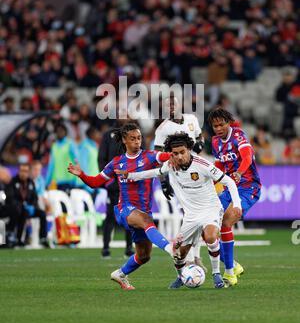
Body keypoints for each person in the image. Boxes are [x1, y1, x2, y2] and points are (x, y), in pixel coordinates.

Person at [118, 132, 242, 289]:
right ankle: (181, 276)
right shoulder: (170, 165)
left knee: (210, 236)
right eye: (175, 153)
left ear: (189, 149)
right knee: (179, 253)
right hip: (191, 215)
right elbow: (155, 173)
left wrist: (237, 204)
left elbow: (229, 181)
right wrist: (131, 176)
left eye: (182, 152)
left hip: (210, 209)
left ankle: (216, 274)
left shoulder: (203, 165)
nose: (179, 157)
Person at [67, 122, 178, 290]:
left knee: (144, 256)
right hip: (124, 209)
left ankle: (120, 274)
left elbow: (162, 156)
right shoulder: (117, 163)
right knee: (146, 219)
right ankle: (171, 249)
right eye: (133, 138)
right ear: (124, 140)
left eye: (139, 138)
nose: (137, 141)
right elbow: (96, 182)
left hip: (142, 212)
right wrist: (81, 174)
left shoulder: (148, 156)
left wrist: (173, 155)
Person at [154, 94, 207, 288]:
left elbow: (200, 138)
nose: (170, 108)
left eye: (172, 104)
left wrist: (201, 143)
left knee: (196, 215)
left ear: (179, 105)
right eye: (166, 105)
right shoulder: (163, 129)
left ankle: (195, 258)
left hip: (197, 171)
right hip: (178, 176)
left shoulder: (192, 120)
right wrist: (163, 181)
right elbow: (156, 156)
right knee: (191, 215)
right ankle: (192, 259)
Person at [208, 108, 262, 286]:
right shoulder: (215, 142)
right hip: (228, 188)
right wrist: (211, 180)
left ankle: (229, 273)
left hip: (248, 187)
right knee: (207, 227)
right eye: (215, 126)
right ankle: (234, 265)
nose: (218, 128)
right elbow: (218, 164)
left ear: (228, 122)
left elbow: (247, 157)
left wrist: (239, 172)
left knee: (226, 221)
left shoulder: (238, 136)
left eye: (221, 124)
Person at [98, 119, 135, 259]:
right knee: (110, 215)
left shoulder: (133, 134)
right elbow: (102, 157)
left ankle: (129, 247)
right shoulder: (108, 135)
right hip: (113, 183)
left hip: (128, 182)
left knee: (129, 214)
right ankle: (106, 247)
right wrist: (106, 178)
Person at [4, 163, 49, 247]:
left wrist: (33, 206)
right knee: (21, 212)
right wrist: (21, 205)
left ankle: (43, 238)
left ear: (28, 172)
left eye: (26, 171)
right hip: (16, 208)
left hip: (28, 208)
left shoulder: (30, 182)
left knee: (42, 213)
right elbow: (10, 197)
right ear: (19, 171)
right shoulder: (13, 182)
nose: (24, 173)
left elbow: (34, 197)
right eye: (22, 171)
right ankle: (18, 238)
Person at [46, 123, 80, 191]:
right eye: (58, 131)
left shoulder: (70, 144)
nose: (60, 133)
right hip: (58, 181)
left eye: (62, 131)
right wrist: (47, 182)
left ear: (65, 132)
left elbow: (78, 161)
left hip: (70, 180)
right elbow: (51, 165)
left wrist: (78, 179)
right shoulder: (54, 146)